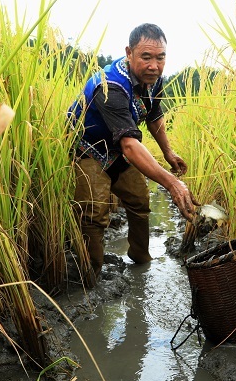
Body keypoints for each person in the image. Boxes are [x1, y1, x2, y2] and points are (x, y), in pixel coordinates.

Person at [68, 23, 196, 281]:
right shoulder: (111, 86)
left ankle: (141, 261)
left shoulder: (154, 79)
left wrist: (168, 152)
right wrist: (172, 184)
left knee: (139, 200)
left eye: (160, 58)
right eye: (146, 57)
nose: (154, 65)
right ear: (129, 53)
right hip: (88, 148)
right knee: (94, 214)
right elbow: (129, 143)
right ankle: (90, 276)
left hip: (117, 148)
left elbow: (154, 114)